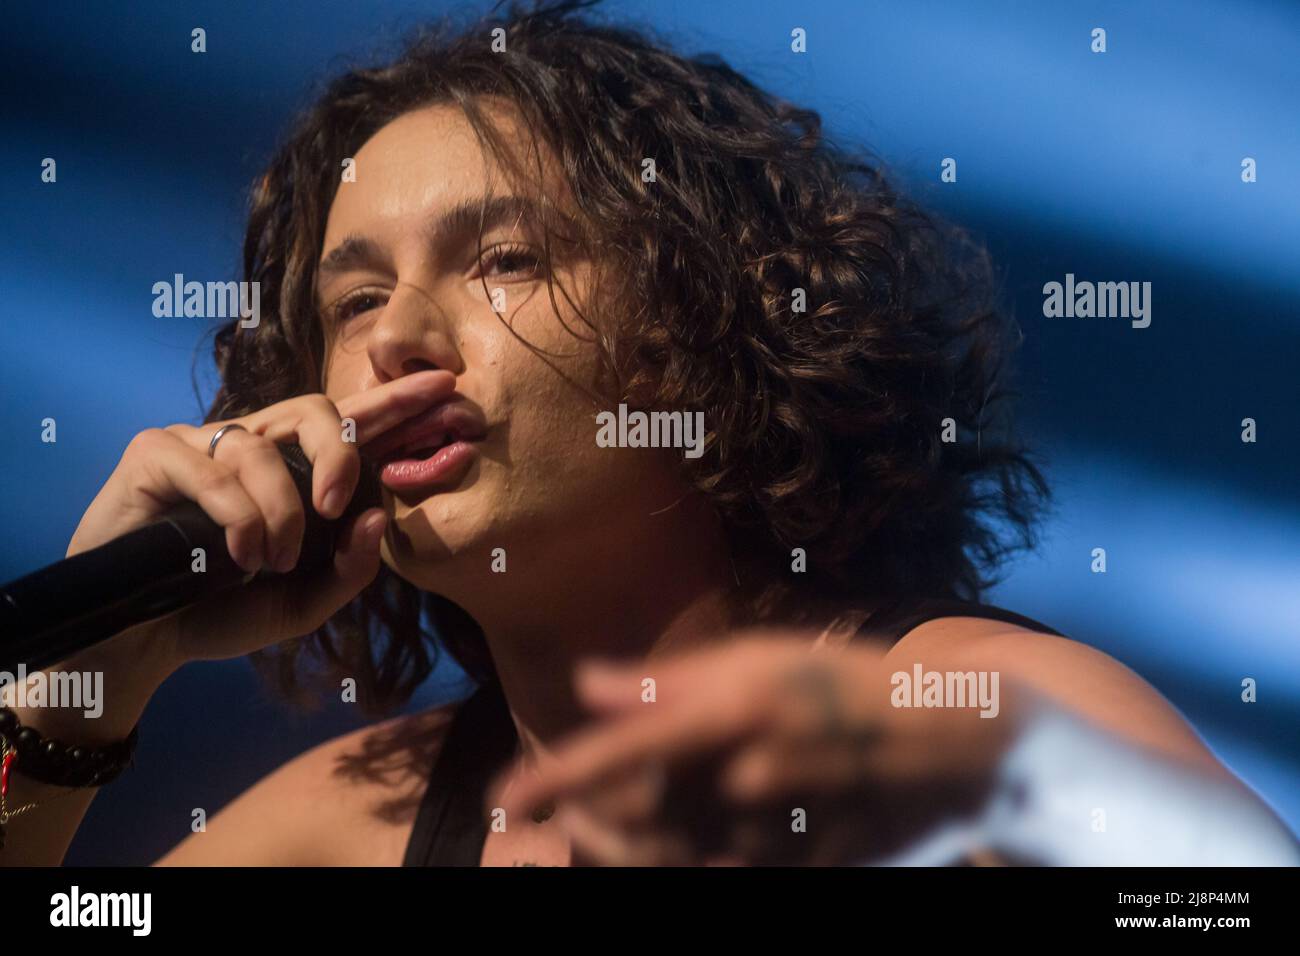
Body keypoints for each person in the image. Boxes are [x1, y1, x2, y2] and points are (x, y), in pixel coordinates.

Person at [1, 0, 1294, 867]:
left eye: (503, 259)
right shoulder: (365, 820)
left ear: (703, 332)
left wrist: (1012, 780)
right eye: (354, 300)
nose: (396, 339)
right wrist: (90, 681)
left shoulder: (956, 709)